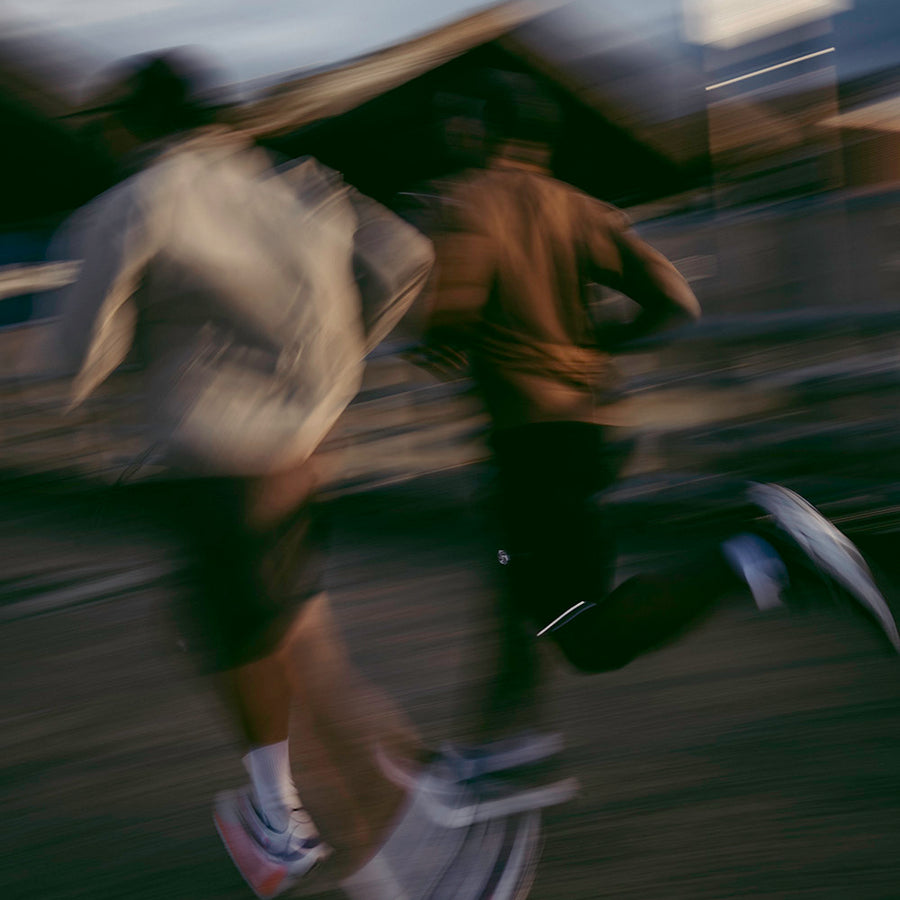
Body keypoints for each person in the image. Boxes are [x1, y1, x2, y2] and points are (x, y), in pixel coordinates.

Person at [48, 49, 441, 899]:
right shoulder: (298, 186)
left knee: (243, 641)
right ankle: (382, 813)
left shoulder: (137, 200)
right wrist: (344, 354)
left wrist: (122, 360)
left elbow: (72, 359)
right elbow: (406, 255)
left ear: (131, 125)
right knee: (285, 639)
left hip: (212, 460)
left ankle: (297, 816)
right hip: (305, 450)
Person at [420, 72, 900, 762]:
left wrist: (439, 331)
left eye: (459, 120)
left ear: (477, 126)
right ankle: (503, 743)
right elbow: (676, 297)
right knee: (514, 575)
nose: (452, 133)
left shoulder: (468, 201)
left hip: (533, 442)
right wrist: (594, 343)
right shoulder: (582, 210)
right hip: (587, 433)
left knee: (582, 633)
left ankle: (759, 551)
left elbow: (452, 312)